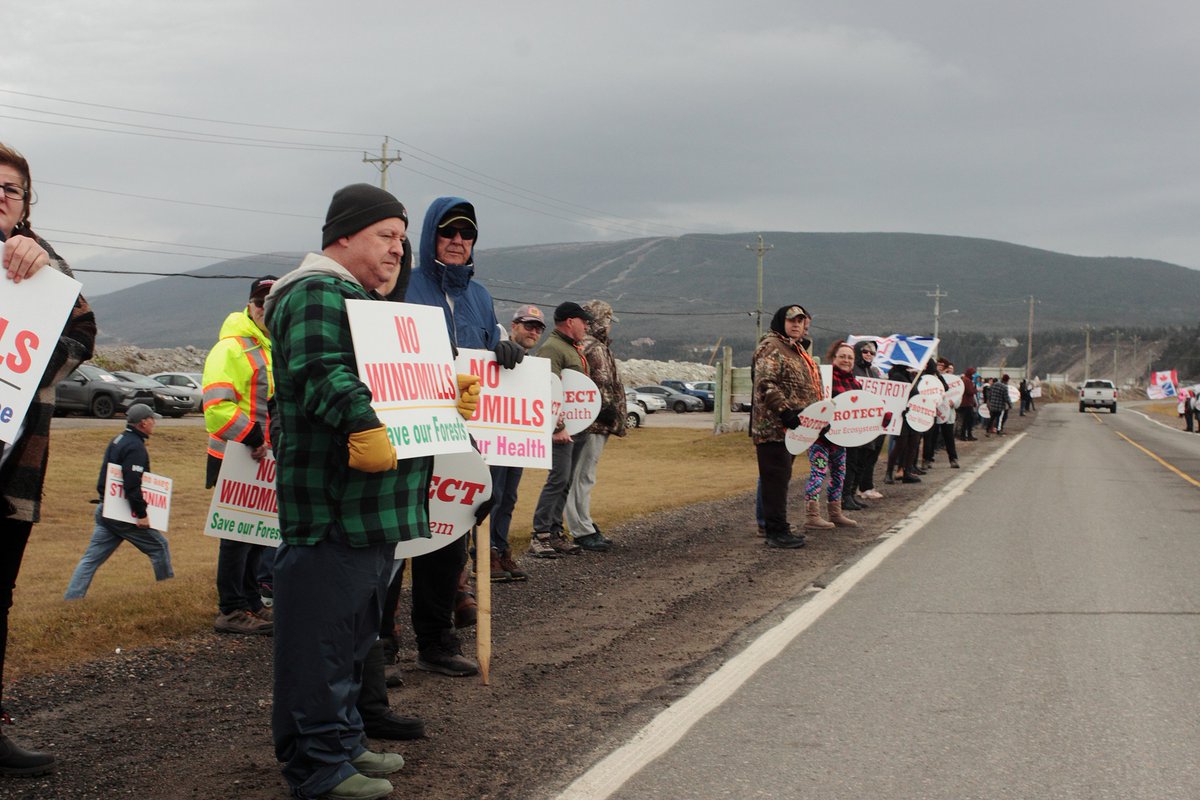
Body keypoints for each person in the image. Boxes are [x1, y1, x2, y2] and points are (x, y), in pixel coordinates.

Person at [264, 183, 478, 800]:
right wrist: (360, 423)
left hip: (368, 509)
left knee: (352, 637)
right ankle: (317, 766)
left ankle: (344, 741)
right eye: (385, 235)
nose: (397, 249)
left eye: (401, 237)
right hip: (333, 505)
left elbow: (387, 380)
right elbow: (318, 369)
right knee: (320, 642)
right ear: (343, 236)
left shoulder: (358, 297)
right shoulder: (313, 291)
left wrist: (442, 399)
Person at [0, 142, 97, 776]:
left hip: (14, 471)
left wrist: (33, 372)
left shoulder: (40, 263)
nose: (2, 199)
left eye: (12, 190)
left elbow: (84, 334)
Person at [404, 196, 523, 676]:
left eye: (466, 233)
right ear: (432, 233)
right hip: (411, 433)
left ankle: (436, 642)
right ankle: (381, 646)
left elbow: (491, 342)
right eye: (448, 231)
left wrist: (504, 349)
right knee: (397, 541)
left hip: (463, 439)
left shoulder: (480, 296)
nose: (457, 241)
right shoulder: (403, 286)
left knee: (447, 538)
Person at [202, 276, 276, 636]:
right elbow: (216, 407)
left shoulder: (270, 347)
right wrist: (253, 436)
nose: (266, 308)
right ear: (250, 304)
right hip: (234, 453)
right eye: (261, 301)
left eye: (273, 301)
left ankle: (250, 602)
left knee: (256, 532)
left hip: (260, 458)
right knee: (235, 535)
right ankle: (230, 609)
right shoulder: (230, 348)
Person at [64, 404, 174, 599]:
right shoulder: (135, 447)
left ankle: (71, 599)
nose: (154, 423)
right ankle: (168, 593)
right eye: (152, 419)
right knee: (159, 547)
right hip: (121, 512)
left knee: (91, 559)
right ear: (143, 422)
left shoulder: (118, 439)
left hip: (105, 508)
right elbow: (132, 483)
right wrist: (141, 514)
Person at [482, 305, 545, 580]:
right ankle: (484, 555)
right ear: (514, 325)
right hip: (493, 436)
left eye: (538, 328)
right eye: (528, 325)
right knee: (491, 496)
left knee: (508, 497)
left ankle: (501, 547)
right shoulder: (493, 348)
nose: (533, 331)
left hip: (517, 439)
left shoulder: (532, 365)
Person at [750, 305, 820, 549]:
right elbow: (765, 383)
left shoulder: (795, 350)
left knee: (781, 479)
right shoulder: (772, 347)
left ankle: (780, 528)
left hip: (793, 429)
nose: (797, 325)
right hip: (773, 428)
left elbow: (805, 389)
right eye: (792, 320)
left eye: (801, 321)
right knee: (774, 480)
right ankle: (775, 531)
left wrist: (817, 418)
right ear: (781, 321)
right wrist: (785, 411)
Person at [529, 302, 594, 557]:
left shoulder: (570, 348)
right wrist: (557, 426)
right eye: (583, 321)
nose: (586, 326)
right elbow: (546, 388)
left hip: (577, 427)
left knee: (565, 481)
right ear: (570, 321)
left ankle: (555, 532)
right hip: (561, 429)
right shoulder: (552, 348)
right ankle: (540, 535)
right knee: (557, 480)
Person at [564, 299, 627, 552]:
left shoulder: (586, 345)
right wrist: (610, 412)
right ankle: (580, 528)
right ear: (600, 321)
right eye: (608, 321)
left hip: (591, 422)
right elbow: (600, 386)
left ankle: (585, 522)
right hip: (594, 424)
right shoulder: (595, 348)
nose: (610, 327)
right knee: (582, 476)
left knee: (582, 476)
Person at [803, 342, 860, 529]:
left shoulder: (855, 383)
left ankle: (835, 512)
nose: (846, 360)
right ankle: (812, 515)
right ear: (833, 358)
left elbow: (861, 411)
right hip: (820, 437)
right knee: (818, 474)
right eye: (842, 356)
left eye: (850, 357)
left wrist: (879, 421)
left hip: (840, 438)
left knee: (839, 475)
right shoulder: (823, 379)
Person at [843, 339, 884, 509]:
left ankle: (853, 493)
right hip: (854, 423)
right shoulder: (853, 371)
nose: (868, 355)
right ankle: (845, 495)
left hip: (871, 423)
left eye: (872, 352)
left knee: (865, 459)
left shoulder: (874, 373)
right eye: (865, 351)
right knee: (852, 460)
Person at [958, 367, 979, 441]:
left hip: (966, 403)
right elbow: (970, 391)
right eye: (973, 374)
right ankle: (966, 435)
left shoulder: (966, 380)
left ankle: (965, 435)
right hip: (967, 404)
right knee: (968, 420)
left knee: (966, 420)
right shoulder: (967, 381)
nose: (973, 375)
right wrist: (976, 390)